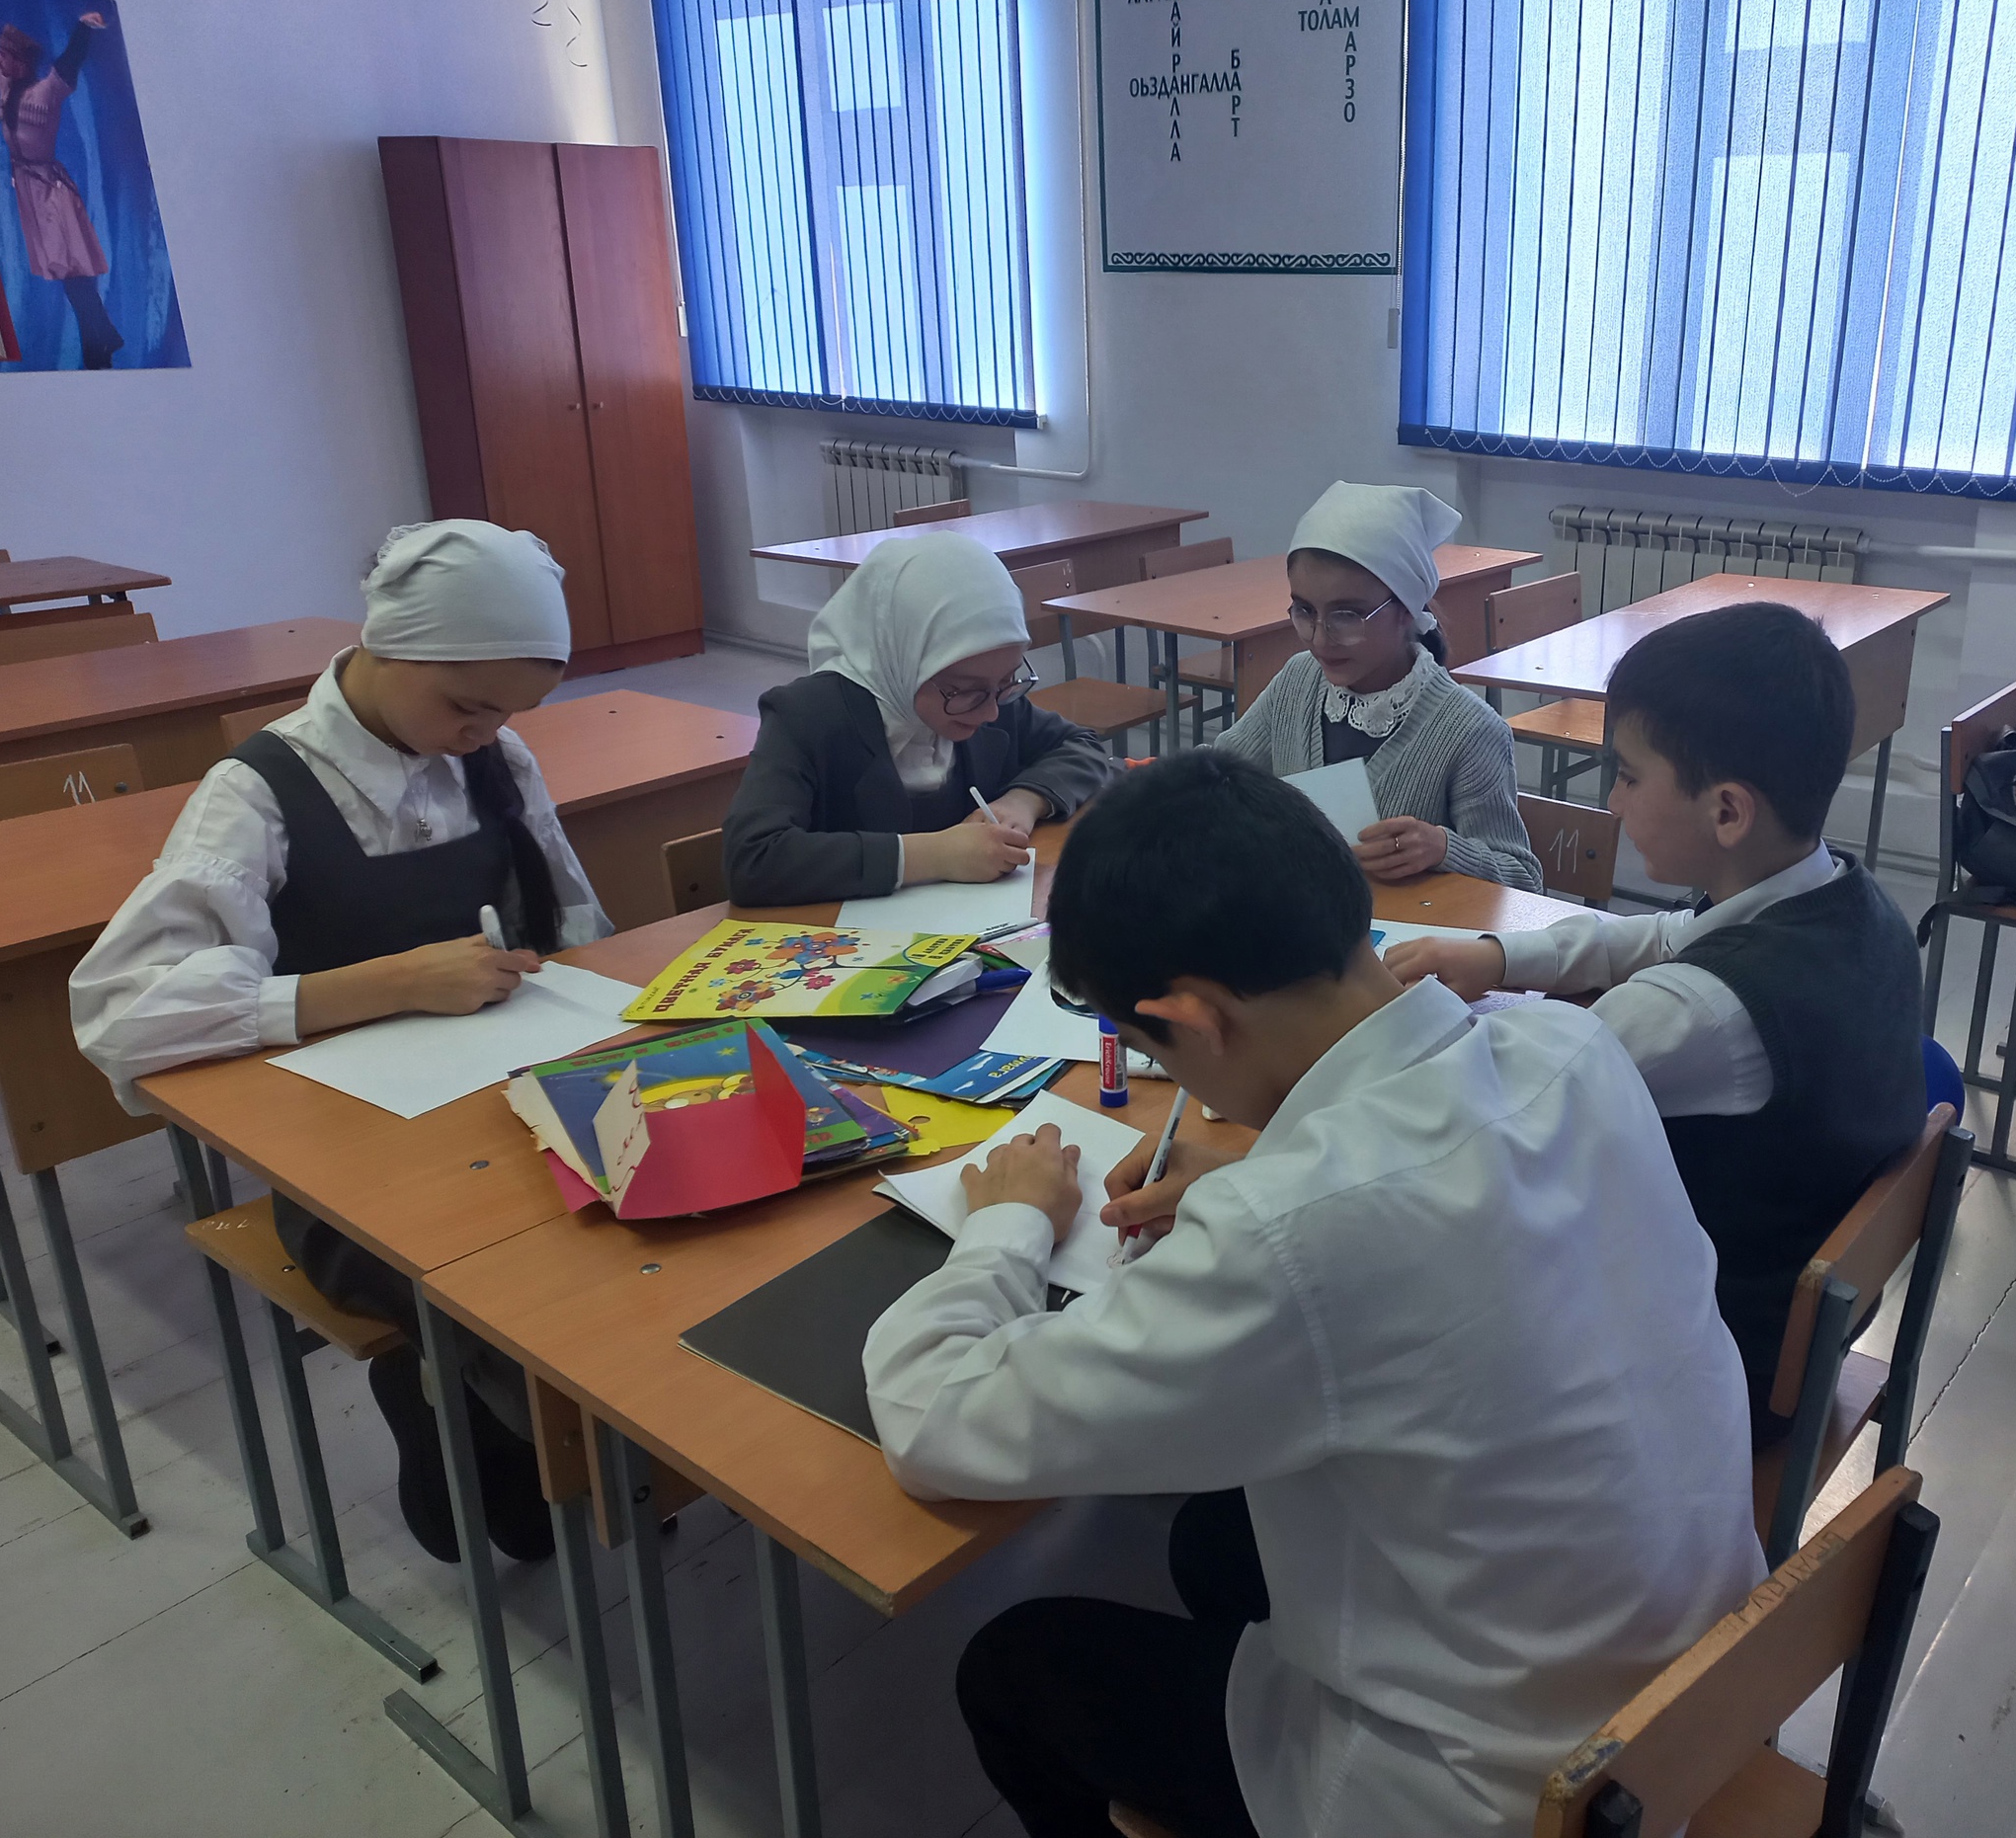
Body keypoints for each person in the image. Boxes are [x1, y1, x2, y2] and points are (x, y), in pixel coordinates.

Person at [863, 750, 1760, 1838]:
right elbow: (1435, 1217)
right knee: (1213, 1540)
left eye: (1147, 1045)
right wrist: (1261, 1184)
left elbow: (937, 1418)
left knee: (1015, 1667)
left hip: (1491, 1792)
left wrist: (1007, 1221)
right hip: (1687, 1686)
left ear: (1195, 1018)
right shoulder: (1566, 1043)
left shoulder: (1289, 1234)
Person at [71, 520, 609, 1565]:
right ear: (388, 647)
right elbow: (120, 1013)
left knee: (636, 1219)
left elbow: (576, 924)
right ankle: (470, 1415)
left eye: (509, 712)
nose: (483, 732)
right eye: (466, 705)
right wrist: (379, 987)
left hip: (499, 1104)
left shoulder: (494, 756)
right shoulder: (258, 792)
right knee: (510, 1284)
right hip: (348, 1170)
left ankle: (566, 1446)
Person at [1387, 603, 1924, 1438]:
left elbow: (1492, 1102)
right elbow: (1664, 936)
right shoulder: (1845, 899)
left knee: (1410, 1288)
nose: (1612, 798)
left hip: (1700, 1366)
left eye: (1630, 776)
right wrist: (1495, 957)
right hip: (1787, 1314)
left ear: (1728, 812)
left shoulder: (1700, 1012)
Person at [721, 534, 1117, 906]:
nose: (991, 712)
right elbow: (753, 858)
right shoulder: (808, 716)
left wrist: (1023, 801)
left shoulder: (991, 694)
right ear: (904, 658)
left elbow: (1081, 745)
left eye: (1007, 681)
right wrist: (933, 855)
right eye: (965, 691)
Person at [1214, 481, 1541, 890]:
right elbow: (1219, 773)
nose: (1319, 638)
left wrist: (1443, 848)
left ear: (1405, 609)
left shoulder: (1470, 730)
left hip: (1401, 931)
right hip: (1296, 918)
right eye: (1305, 610)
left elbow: (1523, 879)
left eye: (1347, 616)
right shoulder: (1299, 681)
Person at [0, 7, 124, 369]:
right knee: (69, 273)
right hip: (31, 193)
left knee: (73, 271)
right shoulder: (4, 82)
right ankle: (102, 338)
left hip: (52, 194)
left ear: (21, 63)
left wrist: (83, 29)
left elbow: (69, 63)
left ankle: (99, 345)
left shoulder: (45, 92)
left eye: (6, 55)